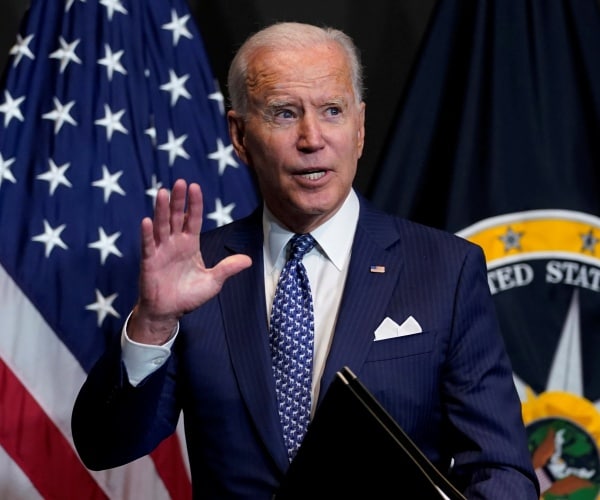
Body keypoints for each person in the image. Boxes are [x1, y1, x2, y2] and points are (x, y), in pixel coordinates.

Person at [72, 21, 540, 498]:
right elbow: (105, 446)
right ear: (239, 134)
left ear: (359, 127)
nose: (311, 138)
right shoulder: (197, 272)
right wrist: (152, 324)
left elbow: (502, 470)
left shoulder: (447, 269)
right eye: (283, 114)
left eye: (332, 111)